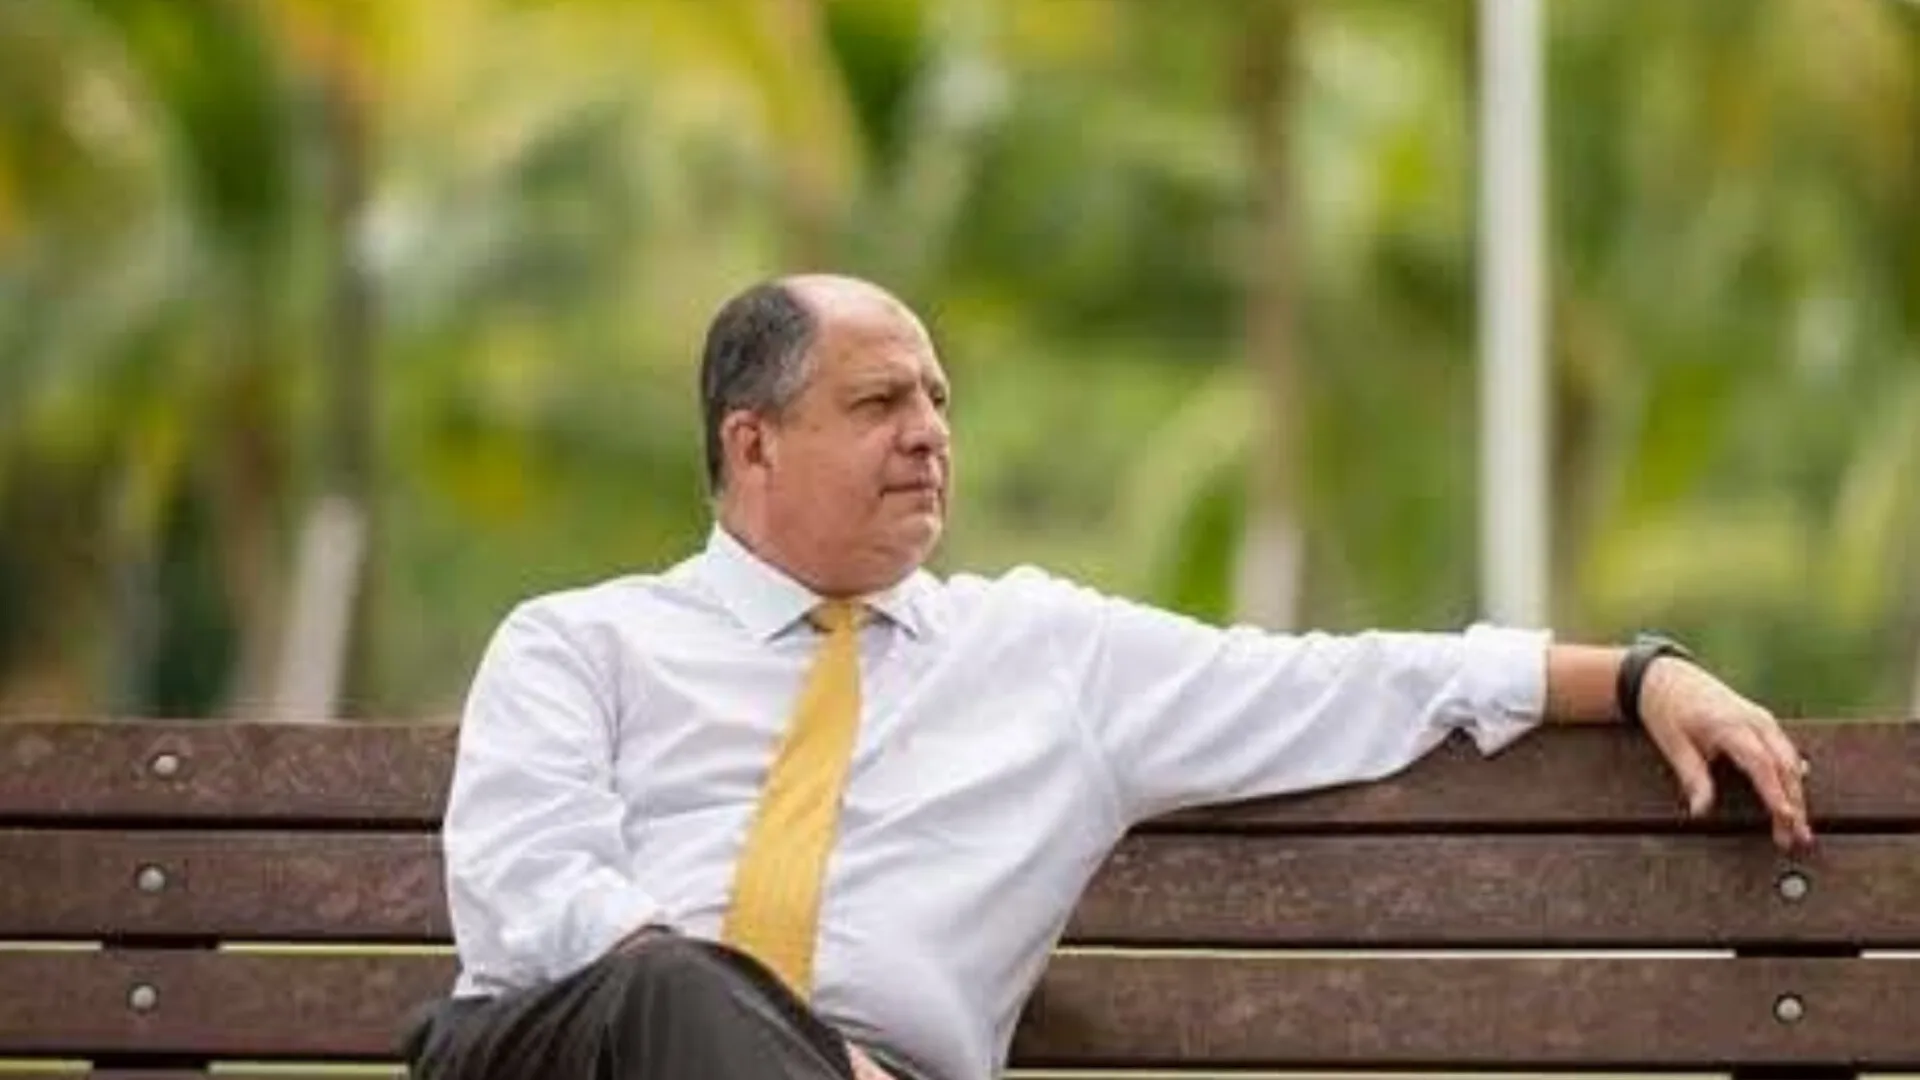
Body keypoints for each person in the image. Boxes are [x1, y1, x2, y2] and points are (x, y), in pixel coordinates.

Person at [403, 274, 1814, 1080]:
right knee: (678, 996)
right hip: (575, 1050)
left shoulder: (1048, 657)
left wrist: (1637, 676)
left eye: (939, 400)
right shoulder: (579, 642)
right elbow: (532, 890)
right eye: (880, 402)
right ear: (751, 442)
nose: (928, 434)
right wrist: (800, 1059)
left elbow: (1343, 684)